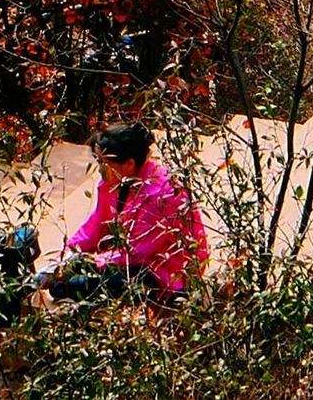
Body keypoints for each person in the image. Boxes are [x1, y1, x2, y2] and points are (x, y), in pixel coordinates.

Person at [45, 121, 206, 303]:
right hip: (132, 257)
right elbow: (97, 223)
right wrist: (68, 253)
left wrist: (89, 262)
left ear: (128, 164)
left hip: (165, 271)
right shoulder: (118, 181)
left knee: (77, 286)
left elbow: (137, 252)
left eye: (104, 163)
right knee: (63, 283)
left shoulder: (159, 195)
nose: (100, 168)